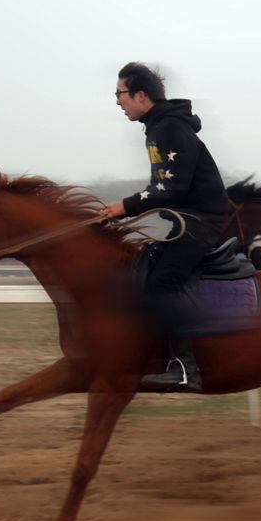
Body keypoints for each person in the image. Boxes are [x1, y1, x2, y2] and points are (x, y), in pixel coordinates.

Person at [100, 62, 229, 391]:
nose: (117, 101)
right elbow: (162, 186)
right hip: (186, 220)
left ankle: (187, 370)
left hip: (202, 222)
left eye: (120, 94)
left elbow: (171, 189)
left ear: (141, 95)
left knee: (162, 285)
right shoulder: (157, 126)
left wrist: (124, 207)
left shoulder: (170, 127)